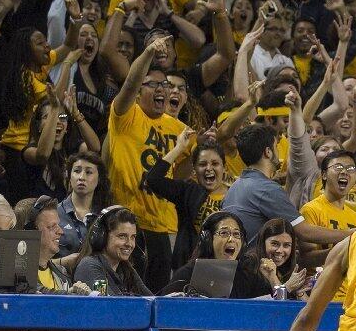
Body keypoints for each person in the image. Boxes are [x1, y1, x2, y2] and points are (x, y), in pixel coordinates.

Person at [106, 34, 186, 292]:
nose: (162, 89)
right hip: (128, 221)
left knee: (160, 295)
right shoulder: (126, 114)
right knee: (126, 292)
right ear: (140, 90)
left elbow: (182, 176)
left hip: (164, 226)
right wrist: (150, 52)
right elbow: (129, 83)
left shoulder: (180, 128)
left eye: (165, 85)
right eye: (154, 85)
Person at [220, 123, 353, 247]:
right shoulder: (266, 189)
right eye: (276, 146)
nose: (279, 151)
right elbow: (305, 232)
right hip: (252, 268)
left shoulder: (234, 187)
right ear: (268, 152)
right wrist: (354, 234)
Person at [145, 128, 229, 271]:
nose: (209, 168)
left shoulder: (235, 194)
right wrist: (179, 148)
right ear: (194, 169)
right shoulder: (187, 192)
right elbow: (153, 179)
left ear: (224, 168)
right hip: (188, 269)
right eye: (202, 164)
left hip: (224, 268)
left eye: (215, 163)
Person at [162, 211, 271, 298]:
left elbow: (274, 308)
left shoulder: (246, 275)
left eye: (236, 234)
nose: (231, 239)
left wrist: (273, 279)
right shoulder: (188, 274)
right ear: (208, 239)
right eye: (224, 233)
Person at [72, 205, 152, 296]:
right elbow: (109, 305)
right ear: (103, 236)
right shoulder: (90, 265)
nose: (129, 244)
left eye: (133, 237)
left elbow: (150, 299)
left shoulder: (125, 269)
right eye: (122, 236)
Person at [23, 195, 88, 294]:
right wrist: (69, 295)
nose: (61, 231)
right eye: (52, 227)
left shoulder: (62, 273)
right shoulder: (19, 271)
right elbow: (35, 294)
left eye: (58, 225)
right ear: (31, 231)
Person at [57, 152, 111, 258]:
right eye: (77, 171)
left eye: (89, 172)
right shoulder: (55, 213)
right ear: (69, 175)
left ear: (99, 179)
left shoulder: (106, 217)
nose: (81, 177)